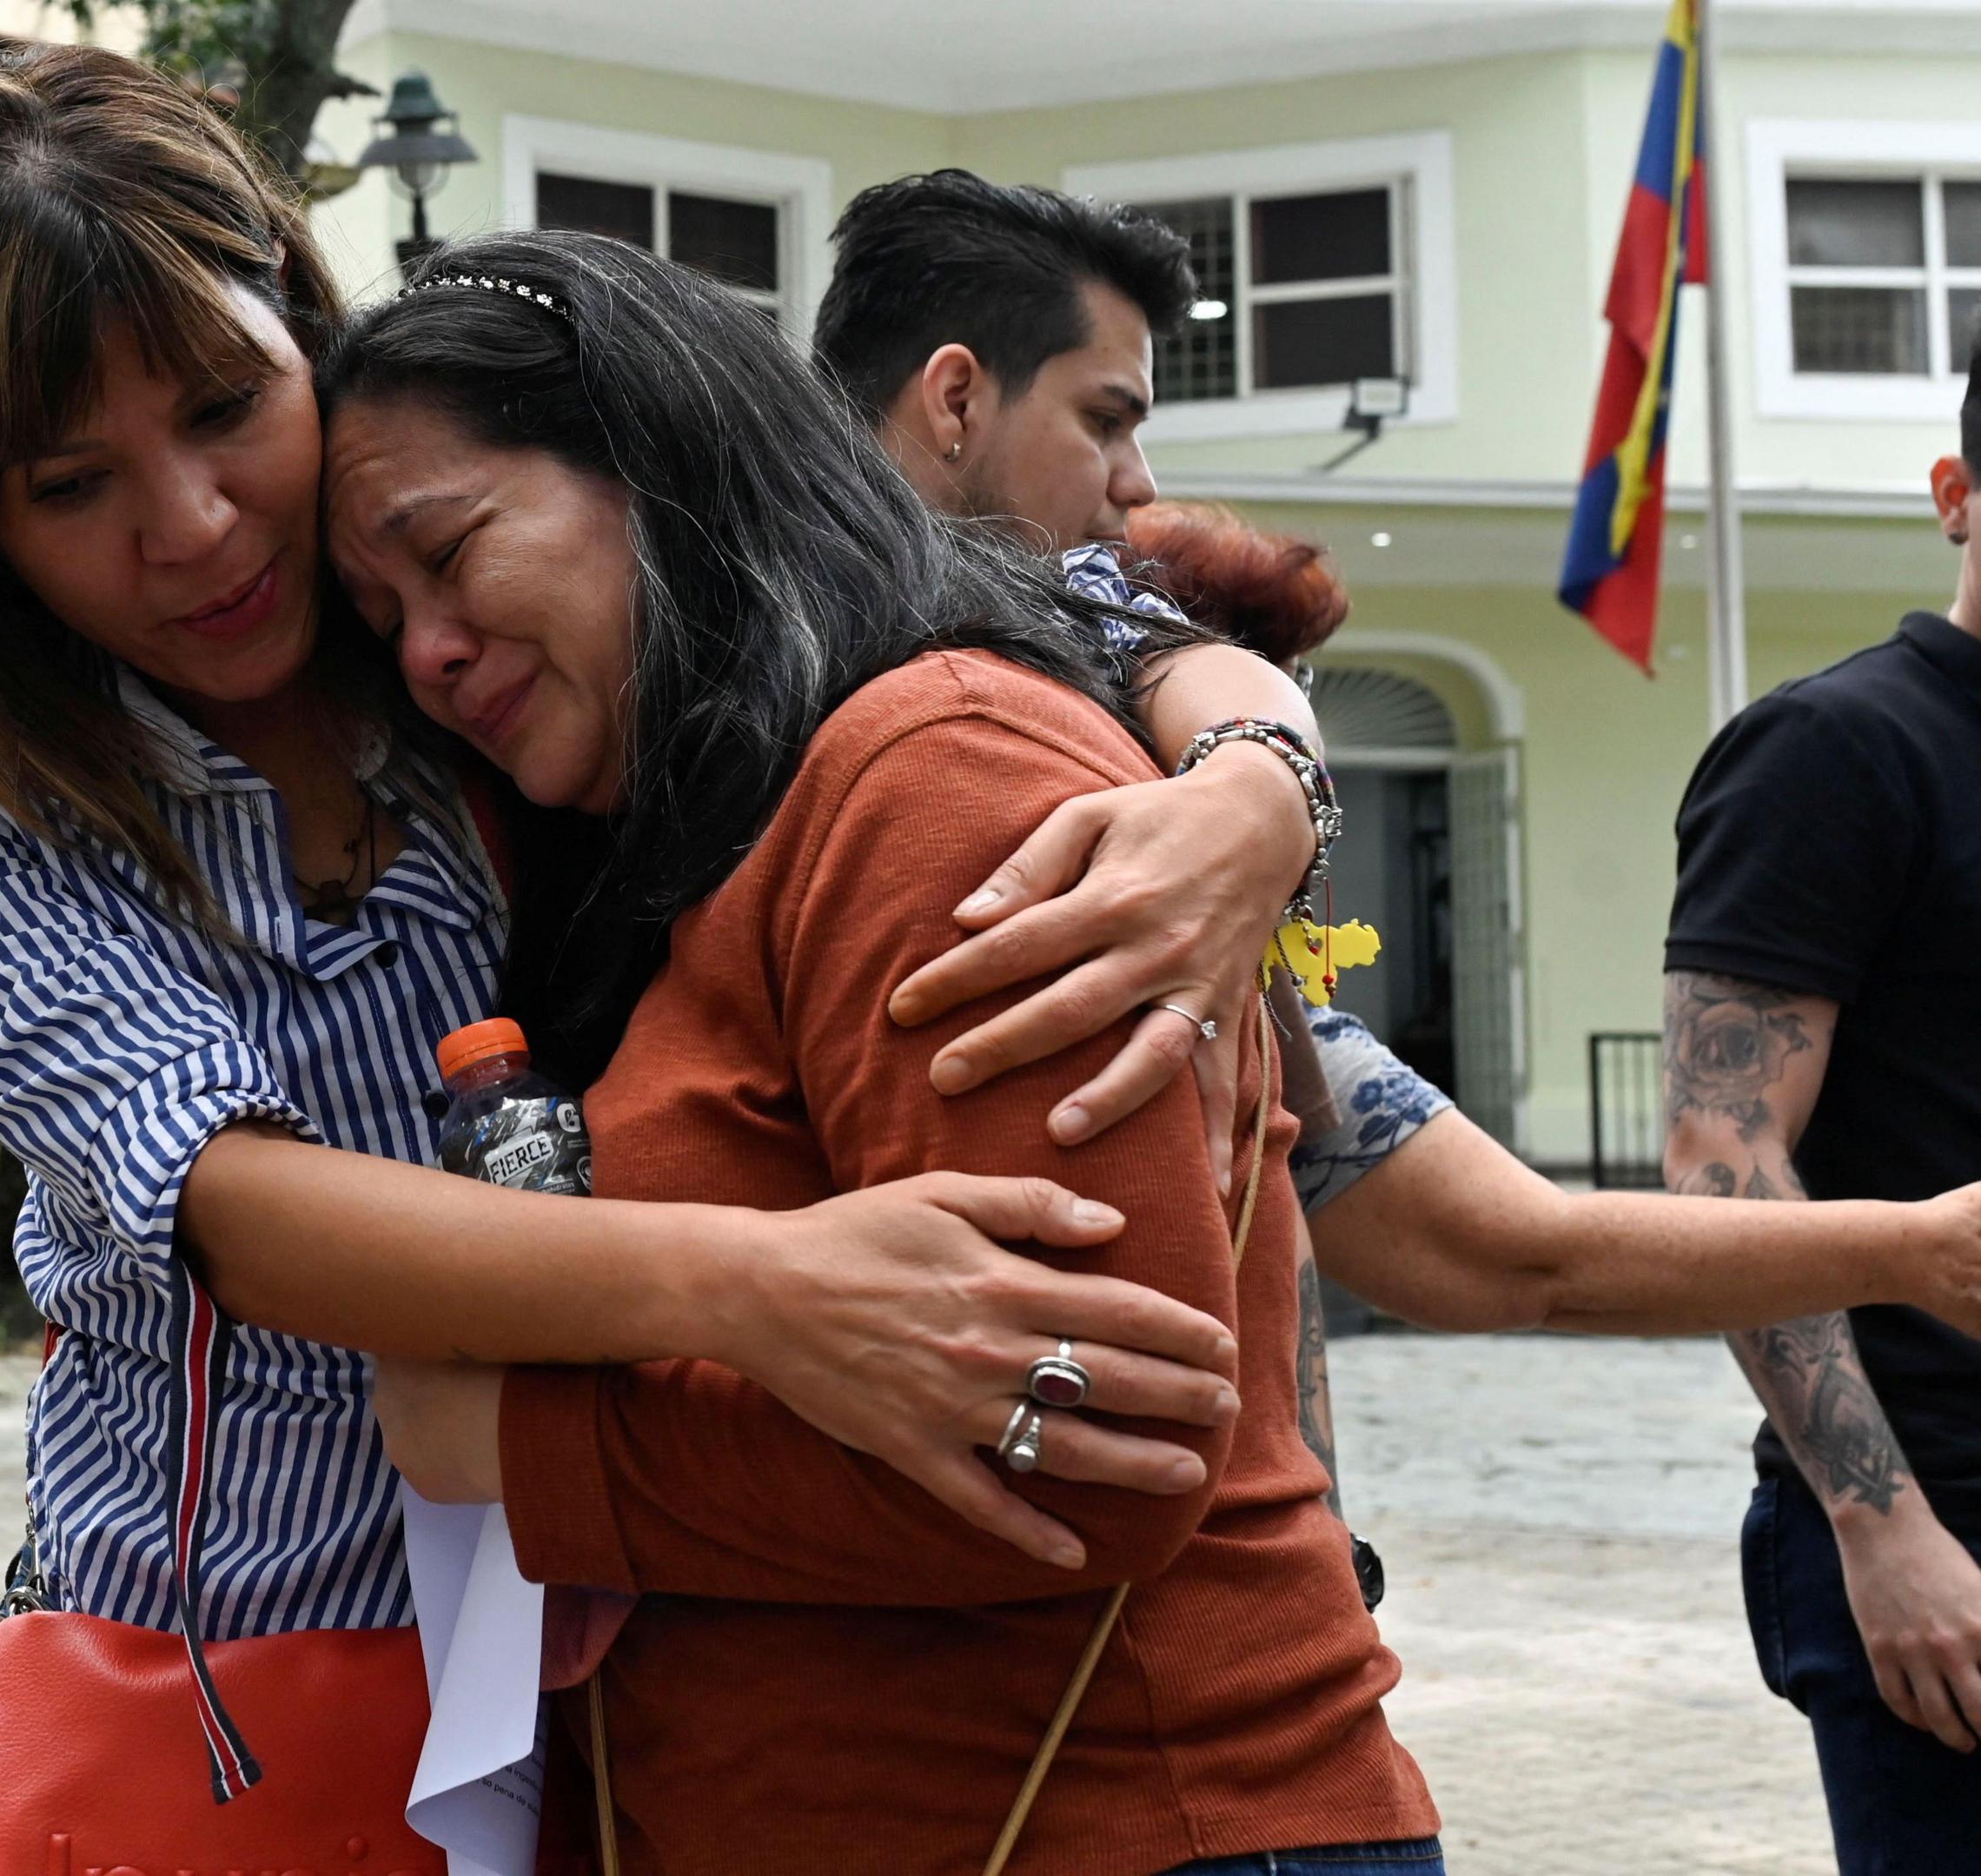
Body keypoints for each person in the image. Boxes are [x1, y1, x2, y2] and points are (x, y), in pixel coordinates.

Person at [0, 49, 1324, 1862]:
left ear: (302, 322)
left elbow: (1049, 595)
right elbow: (238, 1203)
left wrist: (1257, 783)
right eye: (68, 483)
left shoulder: (450, 625)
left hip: (611, 1664)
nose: (191, 525)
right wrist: (764, 1288)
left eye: (220, 407)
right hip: (216, 1685)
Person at [332, 228, 1441, 1876]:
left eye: (453, 552)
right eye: (381, 614)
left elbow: (1097, 1439)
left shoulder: (929, 775)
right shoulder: (692, 820)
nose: (424, 650)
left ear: (665, 464)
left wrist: (514, 1445)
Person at [817, 177, 1981, 1508]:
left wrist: (1255, 785)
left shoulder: (1133, 746)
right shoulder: (720, 647)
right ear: (957, 397)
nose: (1137, 488)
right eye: (1108, 420)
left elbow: (1512, 1251)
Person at [1661, 349, 1981, 1869]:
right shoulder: (1841, 751)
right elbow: (1725, 1157)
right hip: (1946, 1522)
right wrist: (1880, 1525)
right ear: (1956, 498)